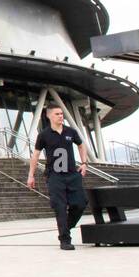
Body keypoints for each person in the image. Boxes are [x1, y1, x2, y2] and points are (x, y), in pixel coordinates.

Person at [28, 104, 90, 250]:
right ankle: (65, 240)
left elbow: (81, 145)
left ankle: (66, 228)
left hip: (72, 175)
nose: (61, 116)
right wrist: (31, 175)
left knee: (81, 203)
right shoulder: (44, 135)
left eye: (62, 114)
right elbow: (35, 155)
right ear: (49, 116)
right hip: (54, 176)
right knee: (60, 207)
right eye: (57, 114)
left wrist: (84, 163)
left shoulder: (71, 132)